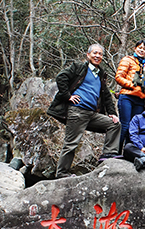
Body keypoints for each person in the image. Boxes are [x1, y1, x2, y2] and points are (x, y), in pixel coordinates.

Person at [48, 43, 121, 178]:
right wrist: (68, 96)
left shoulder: (101, 74)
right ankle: (62, 173)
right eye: (95, 53)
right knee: (71, 143)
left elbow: (106, 96)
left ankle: (108, 154)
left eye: (100, 54)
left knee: (114, 124)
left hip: (92, 114)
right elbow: (61, 77)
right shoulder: (79, 68)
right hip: (77, 111)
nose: (97, 56)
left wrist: (112, 113)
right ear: (88, 55)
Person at [115, 40, 145, 150]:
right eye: (140, 47)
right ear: (135, 48)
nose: (141, 50)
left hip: (140, 99)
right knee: (124, 125)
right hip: (127, 96)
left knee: (134, 127)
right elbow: (119, 77)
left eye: (144, 49)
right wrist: (133, 86)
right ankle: (116, 150)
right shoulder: (127, 60)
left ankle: (128, 151)